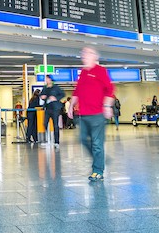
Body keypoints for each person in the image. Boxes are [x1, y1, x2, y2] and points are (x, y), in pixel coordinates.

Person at [70, 47, 114, 181]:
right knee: (83, 139)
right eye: (82, 53)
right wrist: (71, 105)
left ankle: (98, 170)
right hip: (84, 114)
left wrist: (107, 106)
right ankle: (100, 158)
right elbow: (77, 91)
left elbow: (110, 89)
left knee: (96, 143)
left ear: (95, 56)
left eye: (87, 53)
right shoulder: (83, 73)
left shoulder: (100, 71)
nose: (84, 55)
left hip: (97, 114)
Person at [39, 76, 65, 148]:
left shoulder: (56, 87)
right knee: (45, 123)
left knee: (55, 125)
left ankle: (56, 142)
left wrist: (56, 98)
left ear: (50, 79)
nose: (46, 80)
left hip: (55, 108)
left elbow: (63, 94)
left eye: (47, 79)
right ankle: (47, 140)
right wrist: (42, 96)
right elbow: (41, 95)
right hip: (47, 108)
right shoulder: (45, 88)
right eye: (45, 79)